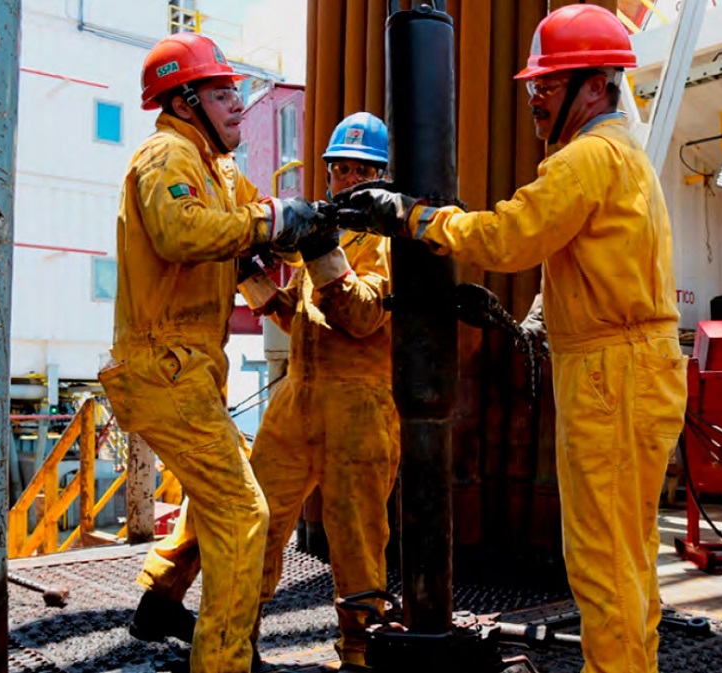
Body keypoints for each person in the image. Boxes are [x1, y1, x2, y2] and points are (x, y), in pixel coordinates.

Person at [328, 6, 688, 672]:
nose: (534, 98)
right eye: (534, 85)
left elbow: (507, 237)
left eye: (548, 84)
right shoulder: (625, 159)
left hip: (610, 377)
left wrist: (416, 217)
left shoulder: (585, 160)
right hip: (635, 370)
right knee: (629, 555)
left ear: (595, 86)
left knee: (602, 562)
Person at [97, 32, 322, 673]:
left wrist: (305, 224)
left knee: (221, 489)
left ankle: (161, 602)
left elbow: (259, 222)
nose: (237, 104)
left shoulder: (218, 168)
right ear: (184, 101)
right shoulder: (166, 157)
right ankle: (224, 662)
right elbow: (182, 232)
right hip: (162, 364)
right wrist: (269, 223)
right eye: (222, 94)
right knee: (244, 512)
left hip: (191, 367)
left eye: (235, 92)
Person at [239, 112, 399, 672]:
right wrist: (249, 274)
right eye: (339, 169)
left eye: (361, 171)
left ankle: (360, 652)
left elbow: (360, 317)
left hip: (359, 406)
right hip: (298, 395)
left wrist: (322, 249)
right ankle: (235, 640)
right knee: (256, 518)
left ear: (381, 179)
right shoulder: (327, 237)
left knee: (356, 537)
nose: (347, 180)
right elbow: (301, 318)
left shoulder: (387, 243)